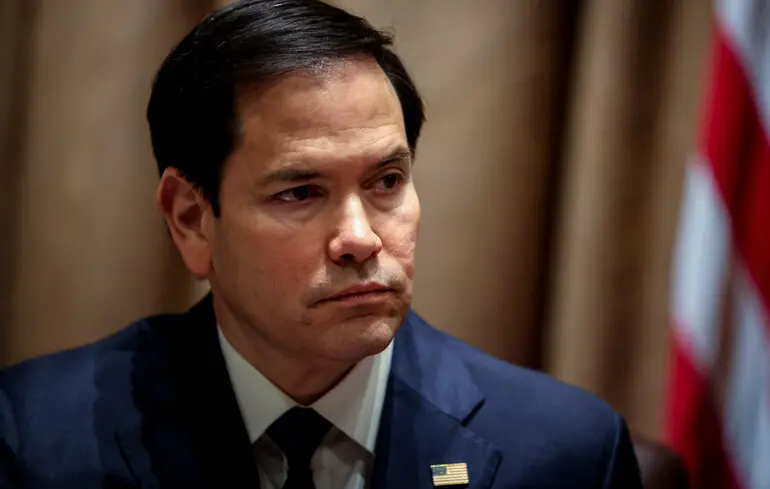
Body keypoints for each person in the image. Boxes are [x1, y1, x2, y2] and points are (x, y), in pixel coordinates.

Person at [0, 1, 643, 488]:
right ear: (192, 219)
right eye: (300, 193)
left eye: (387, 181)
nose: (360, 239)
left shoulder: (567, 451)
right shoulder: (30, 438)